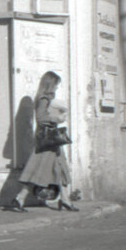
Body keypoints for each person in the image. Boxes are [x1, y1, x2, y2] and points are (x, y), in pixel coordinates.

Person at [12, 71, 76, 211]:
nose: (57, 88)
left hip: (49, 139)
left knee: (59, 167)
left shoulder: (46, 98)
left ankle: (65, 199)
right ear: (50, 84)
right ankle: (20, 197)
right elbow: (40, 118)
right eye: (56, 85)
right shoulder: (44, 98)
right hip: (48, 139)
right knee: (39, 168)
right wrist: (57, 119)